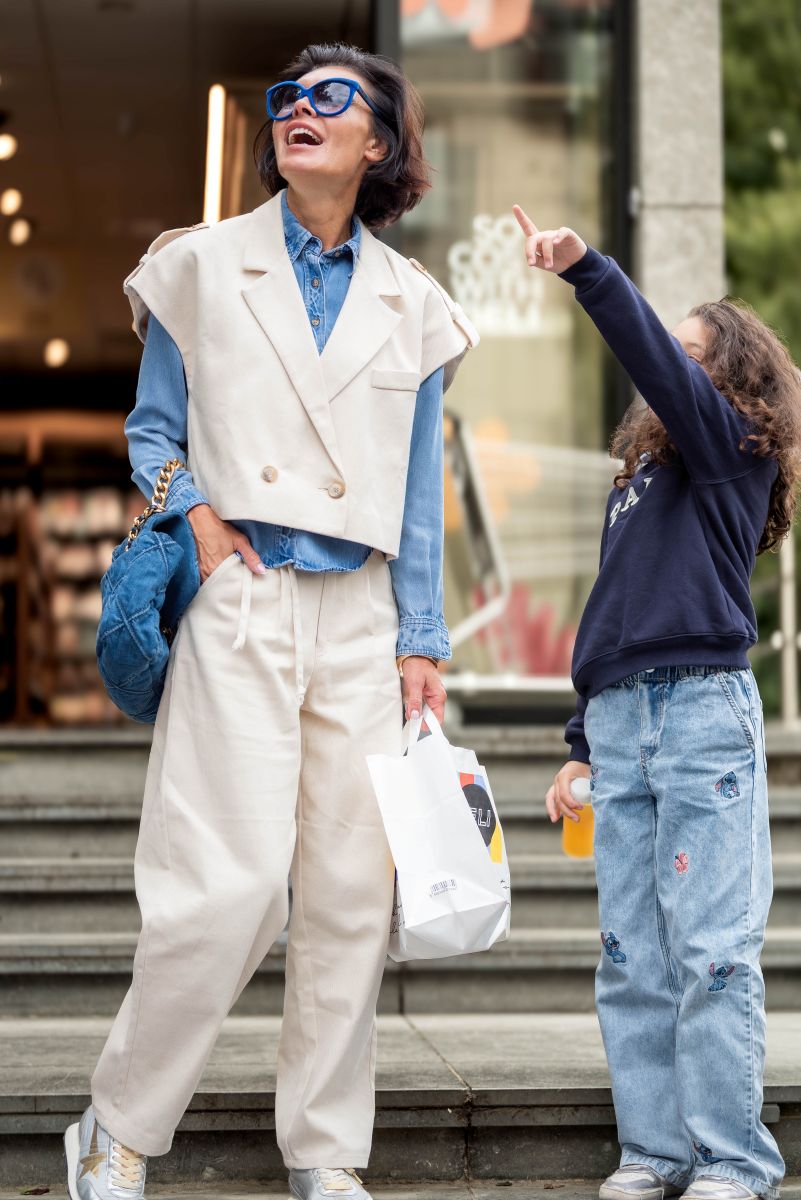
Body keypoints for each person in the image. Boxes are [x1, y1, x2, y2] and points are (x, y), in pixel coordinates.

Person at [65, 43, 477, 1200]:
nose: (298, 109)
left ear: (378, 142)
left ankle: (326, 1151)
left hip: (361, 614)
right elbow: (153, 431)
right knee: (228, 883)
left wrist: (421, 637)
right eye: (286, 98)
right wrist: (196, 519)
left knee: (349, 892)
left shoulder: (417, 305)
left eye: (331, 98)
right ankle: (118, 1124)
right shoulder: (198, 265)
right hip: (242, 593)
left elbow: (417, 495)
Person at [514, 204, 801, 1200]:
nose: (664, 370)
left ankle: (732, 1160)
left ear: (733, 378)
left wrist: (589, 271)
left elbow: (663, 373)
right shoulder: (635, 480)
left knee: (711, 953)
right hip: (621, 717)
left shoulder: (731, 453)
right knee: (631, 955)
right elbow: (613, 611)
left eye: (688, 355)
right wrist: (580, 744)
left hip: (700, 715)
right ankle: (654, 1151)